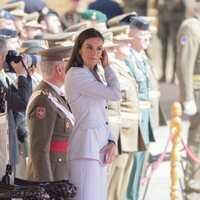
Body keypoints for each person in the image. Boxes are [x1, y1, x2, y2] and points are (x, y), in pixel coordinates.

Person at [64, 28, 121, 200]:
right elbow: (115, 94)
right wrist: (108, 67)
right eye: (89, 47)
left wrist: (111, 140)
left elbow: (101, 115)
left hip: (99, 147)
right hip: (85, 149)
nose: (94, 53)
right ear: (79, 49)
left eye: (99, 48)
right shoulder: (77, 74)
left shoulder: (93, 75)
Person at [26, 45, 74, 182]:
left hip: (61, 172)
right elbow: (39, 149)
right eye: (70, 66)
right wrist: (47, 185)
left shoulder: (56, 95)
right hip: (52, 175)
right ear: (59, 69)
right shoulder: (44, 100)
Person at [176, 1, 200, 199]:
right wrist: (188, 97)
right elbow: (184, 64)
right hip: (198, 92)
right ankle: (193, 190)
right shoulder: (192, 26)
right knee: (198, 143)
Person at [0, 38, 32, 175]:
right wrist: (21, 74)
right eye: (7, 54)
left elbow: (10, 103)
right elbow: (22, 104)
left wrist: (23, 77)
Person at [155, 0, 185, 82]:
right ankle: (163, 74)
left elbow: (180, 6)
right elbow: (157, 6)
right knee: (163, 50)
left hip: (175, 24)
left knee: (175, 50)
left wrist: (166, 5)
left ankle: (174, 75)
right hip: (163, 23)